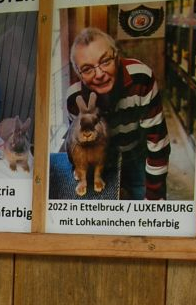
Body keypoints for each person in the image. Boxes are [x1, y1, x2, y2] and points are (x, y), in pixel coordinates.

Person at [67, 27, 169, 200]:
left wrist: (153, 200)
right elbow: (77, 146)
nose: (99, 74)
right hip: (100, 159)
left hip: (137, 153)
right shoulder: (74, 98)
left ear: (117, 56)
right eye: (87, 69)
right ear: (79, 74)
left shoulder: (142, 78)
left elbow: (158, 144)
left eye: (106, 61)